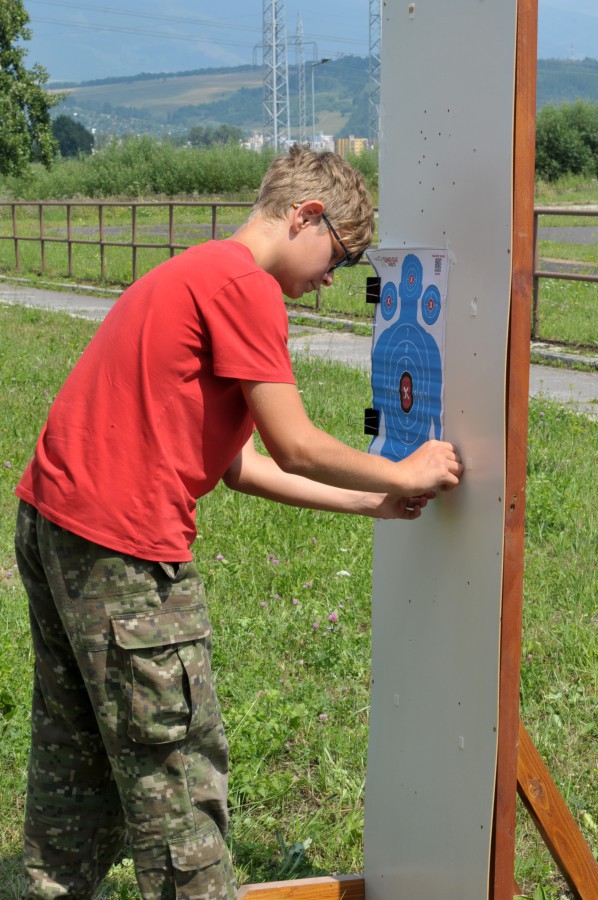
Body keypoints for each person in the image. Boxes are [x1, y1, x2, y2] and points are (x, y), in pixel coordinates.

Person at [14, 144, 463, 899]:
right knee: (176, 772)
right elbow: (295, 444)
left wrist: (371, 502)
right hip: (125, 552)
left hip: (54, 523)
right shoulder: (246, 287)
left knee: (75, 753)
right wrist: (404, 471)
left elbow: (241, 466)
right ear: (306, 215)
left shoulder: (193, 272)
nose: (332, 277)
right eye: (341, 255)